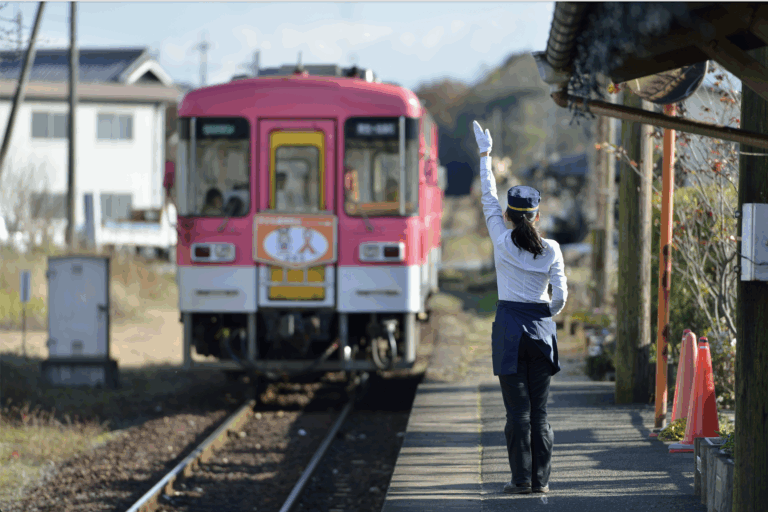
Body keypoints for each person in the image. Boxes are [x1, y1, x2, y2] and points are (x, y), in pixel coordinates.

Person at [473, 120, 567, 496]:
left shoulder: (500, 239)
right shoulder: (553, 249)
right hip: (540, 331)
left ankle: (520, 479)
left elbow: (487, 196)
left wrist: (485, 156)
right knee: (540, 413)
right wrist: (545, 314)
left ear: (509, 216)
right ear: (537, 216)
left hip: (509, 329)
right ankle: (541, 483)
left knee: (517, 413)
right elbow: (559, 297)